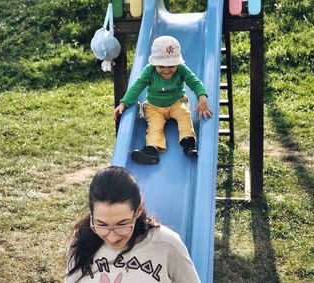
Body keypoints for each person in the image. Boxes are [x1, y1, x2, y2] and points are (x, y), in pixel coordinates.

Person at [65, 166, 201, 283]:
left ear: (138, 210)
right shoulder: (81, 241)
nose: (112, 237)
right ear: (92, 213)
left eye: (122, 224)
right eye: (102, 224)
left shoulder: (167, 245)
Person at [113, 35, 213, 164]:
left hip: (176, 102)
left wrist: (202, 98)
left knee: (184, 114)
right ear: (154, 63)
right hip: (154, 107)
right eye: (161, 66)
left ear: (177, 62)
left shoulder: (181, 69)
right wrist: (124, 103)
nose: (166, 70)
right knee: (154, 126)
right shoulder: (149, 71)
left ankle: (188, 142)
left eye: (171, 66)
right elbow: (137, 86)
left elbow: (194, 82)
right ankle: (152, 150)